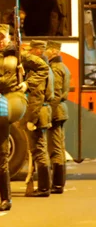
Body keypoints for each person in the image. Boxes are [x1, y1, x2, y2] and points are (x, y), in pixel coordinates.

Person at [0, 24, 49, 211]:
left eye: (3, 37)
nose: (0, 41)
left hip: (14, 99)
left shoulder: (19, 55)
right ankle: (5, 199)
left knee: (10, 107)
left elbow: (42, 68)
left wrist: (27, 84)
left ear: (9, 38)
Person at [22, 40, 54, 198]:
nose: (28, 53)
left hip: (38, 113)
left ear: (36, 52)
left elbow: (36, 96)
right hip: (43, 111)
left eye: (30, 50)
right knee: (41, 150)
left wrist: (31, 119)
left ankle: (43, 188)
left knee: (39, 151)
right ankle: (44, 186)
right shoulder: (47, 67)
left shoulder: (38, 71)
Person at [46, 40, 71, 193]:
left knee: (55, 148)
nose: (45, 52)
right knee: (59, 147)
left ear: (54, 51)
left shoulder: (55, 68)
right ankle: (59, 183)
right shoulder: (62, 67)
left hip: (56, 111)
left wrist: (48, 111)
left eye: (48, 49)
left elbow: (55, 94)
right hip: (61, 110)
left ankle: (57, 184)